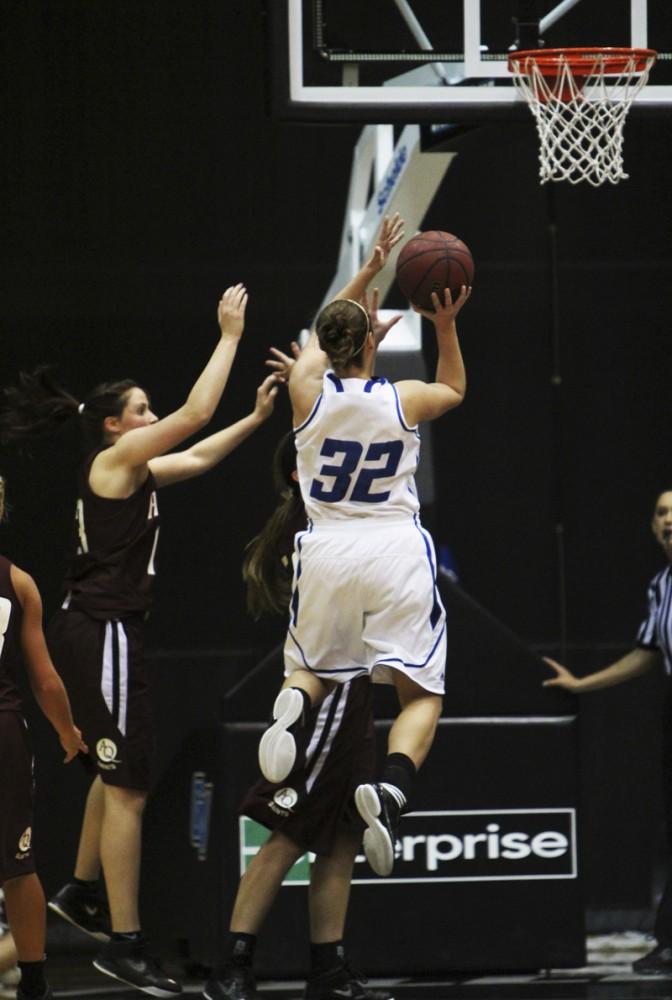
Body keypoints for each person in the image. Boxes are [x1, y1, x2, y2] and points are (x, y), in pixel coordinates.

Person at [0, 285, 279, 998]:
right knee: (128, 788)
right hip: (102, 633)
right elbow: (194, 414)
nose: (154, 420)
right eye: (142, 411)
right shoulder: (112, 465)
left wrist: (254, 418)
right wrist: (228, 336)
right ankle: (123, 944)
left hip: (102, 632)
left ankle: (84, 891)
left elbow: (204, 451)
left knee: (112, 770)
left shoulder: (136, 470)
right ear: (114, 427)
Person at [258, 214, 471, 881]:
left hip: (326, 550)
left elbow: (325, 335)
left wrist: (367, 270)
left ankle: (294, 710)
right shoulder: (403, 398)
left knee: (314, 671)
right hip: (395, 553)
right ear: (372, 347)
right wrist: (442, 323)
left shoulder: (306, 395)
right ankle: (392, 790)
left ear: (327, 346)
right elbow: (456, 389)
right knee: (420, 695)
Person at [204, 433, 390, 1000]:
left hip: (355, 686)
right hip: (327, 688)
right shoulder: (311, 529)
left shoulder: (337, 520)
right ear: (300, 473)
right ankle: (233, 967)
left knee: (341, 838)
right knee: (286, 831)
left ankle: (328, 971)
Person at [544, 489, 672, 975]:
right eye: (661, 512)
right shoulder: (661, 584)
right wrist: (582, 684)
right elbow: (648, 651)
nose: (669, 519)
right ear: (652, 527)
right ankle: (669, 942)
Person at [0, 473, 88, 1000]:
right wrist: (68, 731)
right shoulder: (19, 581)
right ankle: (34, 981)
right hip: (5, 733)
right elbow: (46, 679)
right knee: (17, 864)